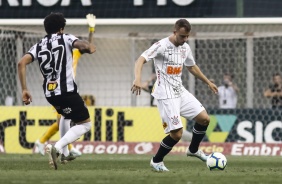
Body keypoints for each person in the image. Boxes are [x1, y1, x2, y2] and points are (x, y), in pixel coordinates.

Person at [131, 19, 218, 172]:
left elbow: (191, 67)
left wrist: (207, 82)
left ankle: (193, 150)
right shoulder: (161, 46)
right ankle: (156, 161)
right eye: (182, 36)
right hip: (165, 94)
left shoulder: (185, 47)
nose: (185, 40)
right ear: (175, 32)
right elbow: (141, 59)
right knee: (176, 134)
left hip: (179, 90)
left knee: (204, 119)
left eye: (187, 37)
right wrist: (137, 78)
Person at [18, 12, 96, 170]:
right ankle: (57, 146)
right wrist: (91, 34)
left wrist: (25, 89)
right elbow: (88, 48)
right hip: (66, 91)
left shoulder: (38, 45)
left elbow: (21, 63)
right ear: (61, 28)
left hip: (50, 94)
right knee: (86, 125)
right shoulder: (66, 38)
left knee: (65, 117)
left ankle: (65, 153)